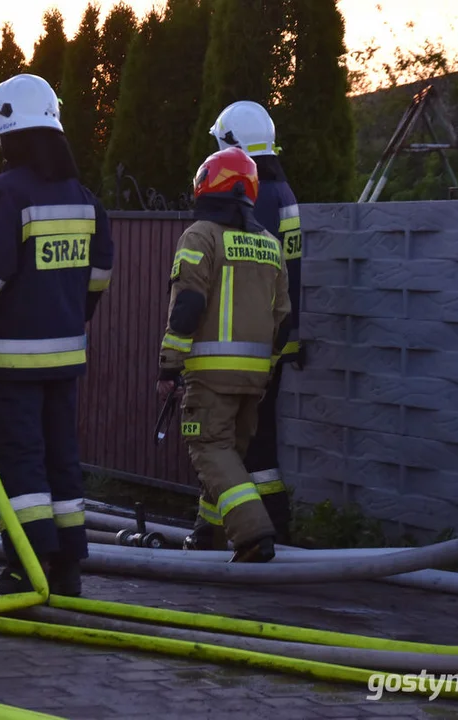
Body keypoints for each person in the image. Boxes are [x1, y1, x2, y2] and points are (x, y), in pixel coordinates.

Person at [0, 74, 114, 596]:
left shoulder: (3, 194)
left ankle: (24, 569)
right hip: (64, 359)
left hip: (11, 363)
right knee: (62, 461)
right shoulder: (85, 200)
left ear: (8, 131)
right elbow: (100, 276)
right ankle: (69, 569)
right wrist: (68, 315)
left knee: (21, 466)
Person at [156, 146, 290, 563]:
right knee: (228, 456)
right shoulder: (269, 244)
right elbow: (282, 317)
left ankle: (252, 535)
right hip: (255, 378)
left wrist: (169, 365)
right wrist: (266, 368)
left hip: (211, 375)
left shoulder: (201, 235)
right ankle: (207, 535)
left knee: (209, 449)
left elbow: (189, 305)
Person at [182, 101, 302, 551]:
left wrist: (173, 359)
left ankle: (258, 529)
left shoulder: (254, 204)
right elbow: (287, 280)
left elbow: (230, 282)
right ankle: (213, 528)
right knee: (243, 445)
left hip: (234, 350)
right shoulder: (283, 192)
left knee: (225, 444)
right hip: (271, 343)